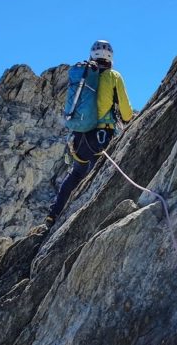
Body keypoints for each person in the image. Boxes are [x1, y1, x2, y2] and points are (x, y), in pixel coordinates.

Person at [46, 40, 133, 227]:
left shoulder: (84, 76)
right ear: (110, 58)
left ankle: (53, 214)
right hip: (101, 137)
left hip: (79, 138)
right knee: (100, 180)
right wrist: (127, 120)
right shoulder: (113, 76)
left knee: (76, 174)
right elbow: (126, 112)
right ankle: (96, 223)